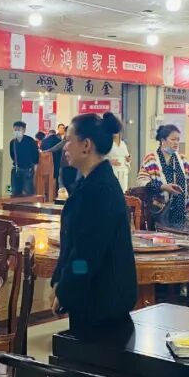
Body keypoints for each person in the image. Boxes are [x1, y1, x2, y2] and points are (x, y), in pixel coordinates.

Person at [51, 113, 137, 335]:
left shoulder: (100, 190)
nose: (65, 147)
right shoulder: (89, 182)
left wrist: (65, 290)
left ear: (86, 145)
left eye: (69, 140)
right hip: (92, 299)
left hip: (102, 304)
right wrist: (61, 281)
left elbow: (86, 256)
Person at [137, 124, 189, 226]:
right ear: (163, 140)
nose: (176, 143)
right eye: (173, 139)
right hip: (159, 213)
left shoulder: (182, 159)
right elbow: (142, 181)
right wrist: (162, 187)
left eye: (178, 140)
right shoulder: (151, 159)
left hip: (182, 214)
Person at [8, 121, 39, 197]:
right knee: (14, 191)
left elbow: (35, 155)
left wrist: (34, 167)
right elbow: (12, 156)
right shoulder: (12, 142)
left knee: (28, 192)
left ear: (24, 130)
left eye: (19, 129)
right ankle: (14, 204)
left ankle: (29, 205)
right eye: (15, 130)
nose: (17, 131)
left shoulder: (30, 140)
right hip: (15, 170)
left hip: (28, 170)